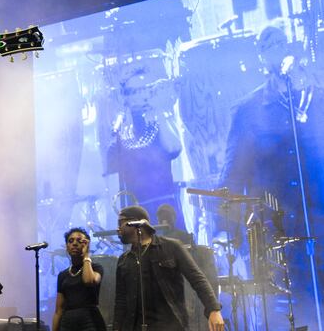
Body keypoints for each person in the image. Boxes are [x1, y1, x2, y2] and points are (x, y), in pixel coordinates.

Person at [219, 24, 323, 324]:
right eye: (270, 45)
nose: (279, 49)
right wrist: (227, 234)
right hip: (278, 236)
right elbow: (232, 177)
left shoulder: (316, 99)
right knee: (293, 316)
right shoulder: (249, 111)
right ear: (261, 57)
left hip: (320, 224)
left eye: (282, 42)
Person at [113, 205, 224, 331]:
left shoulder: (171, 247)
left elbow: (197, 279)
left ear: (137, 224)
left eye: (121, 223)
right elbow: (120, 302)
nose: (118, 229)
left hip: (169, 325)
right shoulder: (124, 260)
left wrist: (213, 309)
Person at [105, 67, 183, 219]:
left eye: (144, 89)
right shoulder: (121, 133)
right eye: (134, 91)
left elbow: (174, 148)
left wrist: (159, 109)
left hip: (165, 208)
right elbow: (111, 172)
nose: (141, 95)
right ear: (125, 97)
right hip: (136, 211)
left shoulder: (159, 123)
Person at [51, 227, 106, 331]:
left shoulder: (96, 268)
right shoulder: (63, 275)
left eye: (80, 241)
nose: (74, 243)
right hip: (67, 323)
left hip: (90, 321)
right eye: (70, 241)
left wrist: (86, 255)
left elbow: (89, 280)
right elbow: (59, 310)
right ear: (67, 247)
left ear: (86, 245)